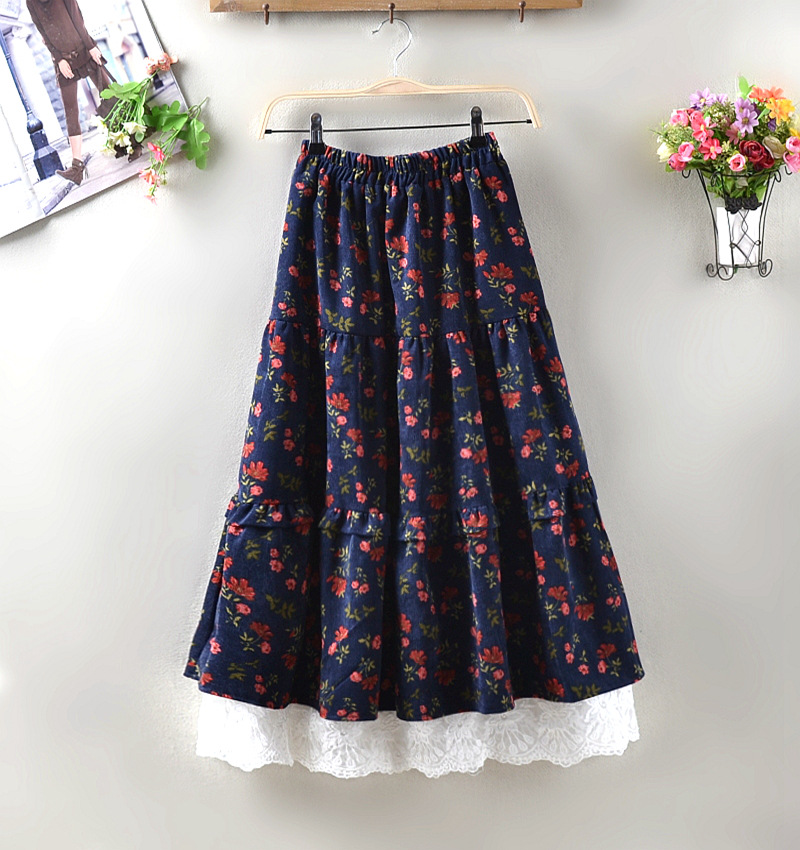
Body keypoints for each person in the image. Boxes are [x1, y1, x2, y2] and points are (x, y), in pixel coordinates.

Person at [26, 0, 116, 185]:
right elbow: (43, 32)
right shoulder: (30, 1)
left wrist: (91, 47)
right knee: (70, 110)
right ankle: (76, 167)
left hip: (84, 49)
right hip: (64, 61)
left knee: (110, 95)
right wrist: (59, 59)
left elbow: (77, 18)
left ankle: (132, 140)